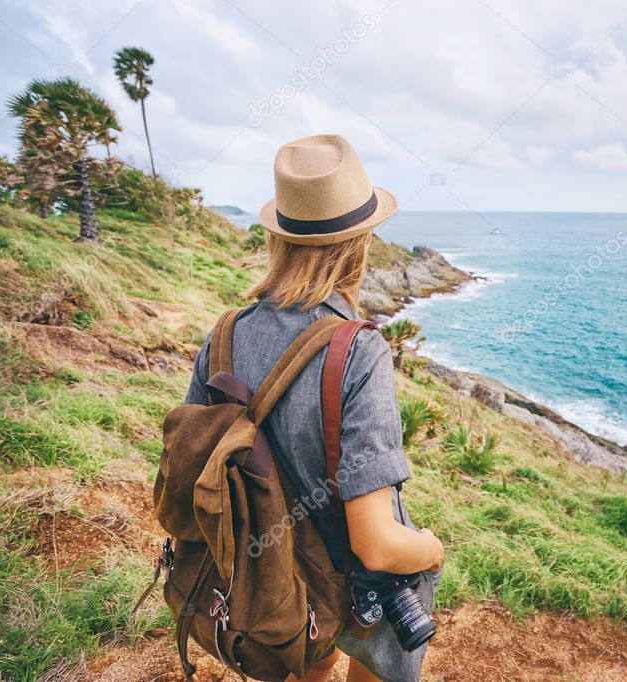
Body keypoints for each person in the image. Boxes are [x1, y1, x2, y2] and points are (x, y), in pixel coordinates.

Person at [184, 134, 444, 682]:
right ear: (358, 243)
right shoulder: (358, 349)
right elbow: (374, 543)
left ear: (280, 237)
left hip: (272, 581)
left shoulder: (225, 335)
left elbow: (193, 471)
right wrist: (431, 548)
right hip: (354, 582)